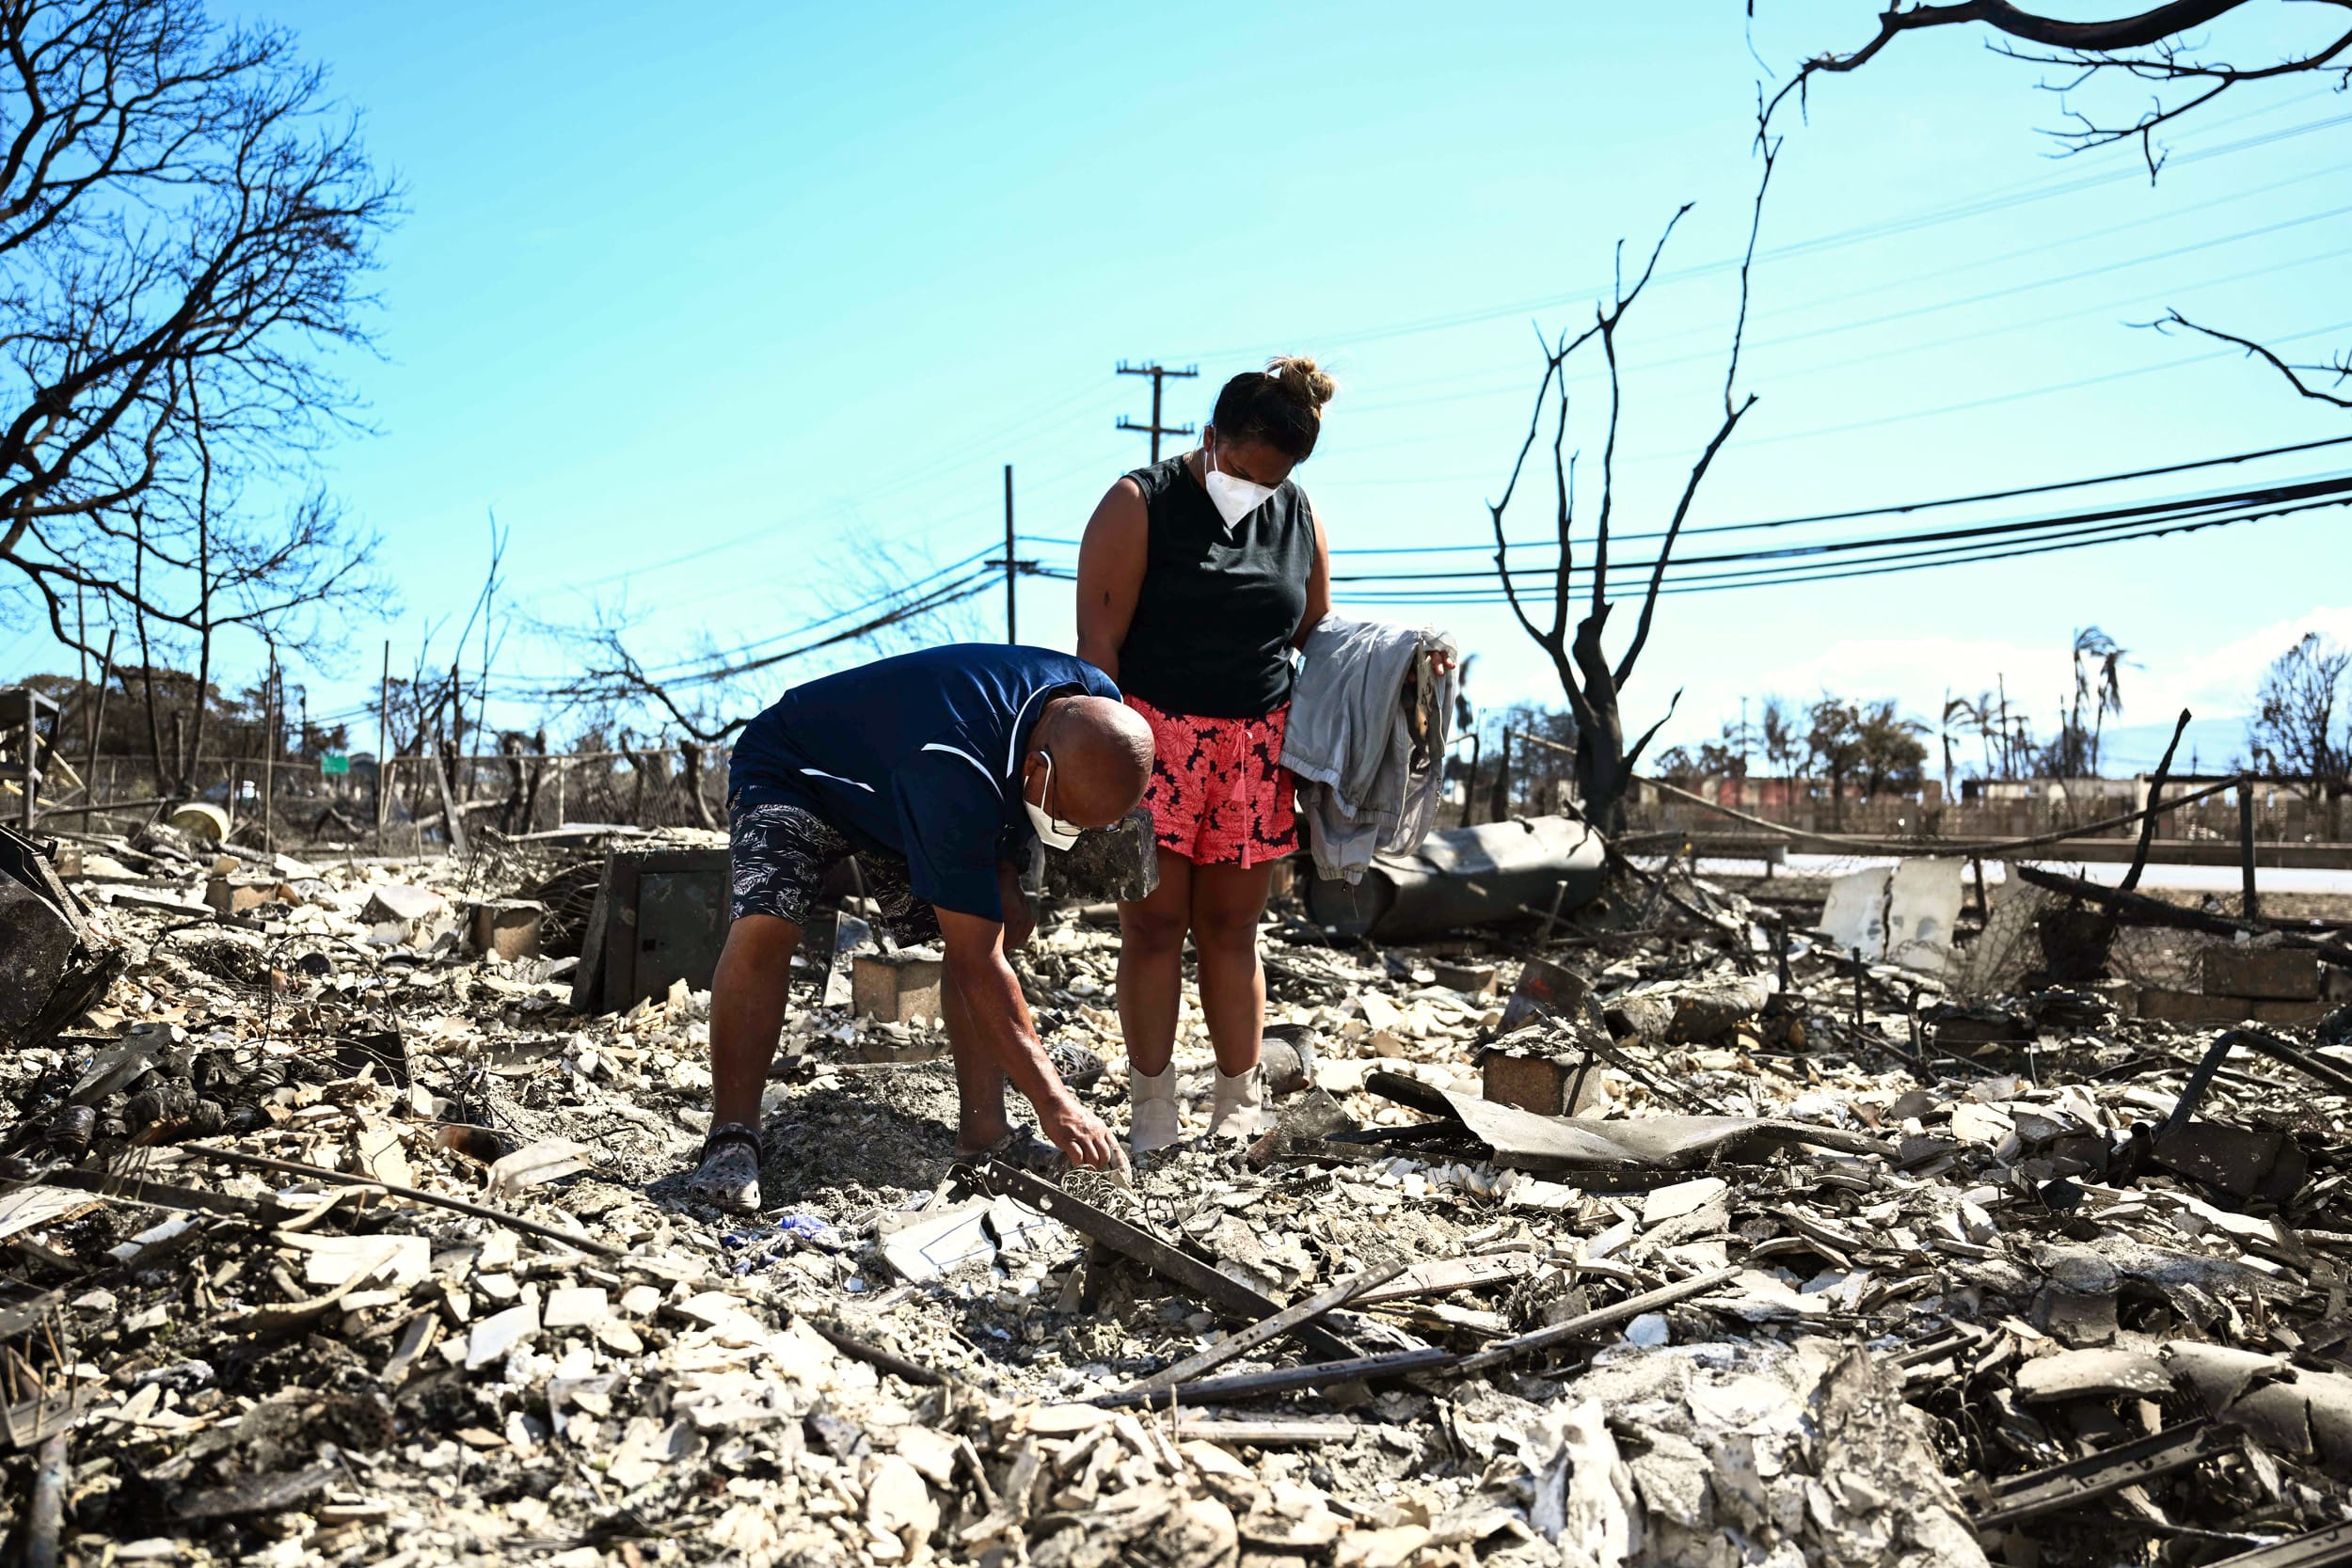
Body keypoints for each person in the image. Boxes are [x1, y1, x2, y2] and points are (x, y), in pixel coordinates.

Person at [687, 642, 1154, 1212]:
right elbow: (975, 960)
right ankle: (732, 1135)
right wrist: (1056, 1101)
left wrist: (1008, 862)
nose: (1066, 834)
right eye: (1064, 821)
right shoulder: (952, 767)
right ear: (1039, 769)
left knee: (1001, 923)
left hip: (909, 775)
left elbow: (1006, 799)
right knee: (768, 925)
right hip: (796, 768)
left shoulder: (1097, 706)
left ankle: (987, 1136)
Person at [1074, 356, 1335, 1153]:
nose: (1257, 490)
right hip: (1152, 743)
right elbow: (1097, 645)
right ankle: (1152, 1107)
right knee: (1153, 927)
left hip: (1255, 752)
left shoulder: (1300, 517)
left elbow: (1319, 638)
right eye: (1246, 471)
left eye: (1274, 479)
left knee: (1232, 929)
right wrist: (1103, 768)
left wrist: (1412, 658)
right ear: (1212, 436)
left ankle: (1236, 1100)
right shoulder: (1137, 503)